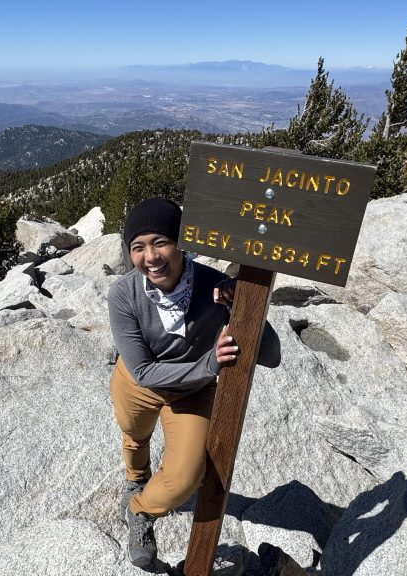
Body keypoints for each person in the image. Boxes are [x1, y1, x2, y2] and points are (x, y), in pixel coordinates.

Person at [107, 197, 281, 568]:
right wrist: (209, 363)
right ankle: (136, 479)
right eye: (138, 247)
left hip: (191, 392)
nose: (151, 257)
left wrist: (241, 306)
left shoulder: (214, 285)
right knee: (135, 436)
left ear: (181, 243)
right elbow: (143, 372)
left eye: (161, 242)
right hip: (139, 386)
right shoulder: (123, 294)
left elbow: (271, 356)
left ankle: (140, 509)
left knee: (185, 477)